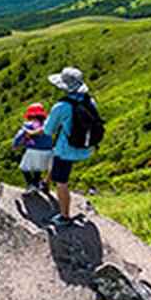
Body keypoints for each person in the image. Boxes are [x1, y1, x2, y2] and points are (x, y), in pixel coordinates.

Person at [43, 66, 100, 226]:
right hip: (86, 147)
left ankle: (64, 216)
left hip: (66, 150)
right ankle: (45, 183)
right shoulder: (90, 101)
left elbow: (48, 130)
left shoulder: (61, 106)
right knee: (56, 162)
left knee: (61, 182)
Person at [12, 102, 53, 192]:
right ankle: (36, 184)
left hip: (33, 150)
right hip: (48, 151)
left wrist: (15, 145)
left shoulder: (29, 124)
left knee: (24, 168)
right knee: (37, 169)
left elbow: (20, 135)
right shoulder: (47, 124)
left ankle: (30, 184)